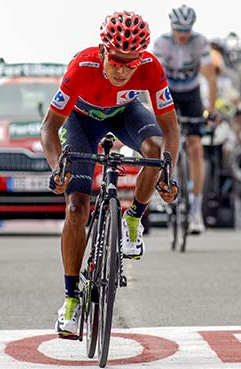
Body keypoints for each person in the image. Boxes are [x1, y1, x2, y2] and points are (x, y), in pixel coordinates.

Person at [40, 10, 179, 338]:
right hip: (80, 121)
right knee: (76, 205)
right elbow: (49, 127)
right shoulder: (82, 67)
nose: (122, 70)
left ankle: (134, 220)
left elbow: (171, 128)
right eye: (116, 60)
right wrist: (58, 168)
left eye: (131, 63)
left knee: (154, 149)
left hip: (124, 113)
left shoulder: (150, 68)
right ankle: (71, 300)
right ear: (103, 50)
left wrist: (167, 175)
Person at [153, 4, 218, 234]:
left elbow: (210, 77)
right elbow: (153, 77)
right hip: (168, 93)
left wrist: (211, 110)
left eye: (186, 30)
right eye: (178, 30)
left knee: (196, 147)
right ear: (172, 27)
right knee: (166, 143)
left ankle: (196, 211)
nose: (182, 35)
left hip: (191, 95)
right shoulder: (161, 43)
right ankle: (165, 186)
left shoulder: (200, 42)